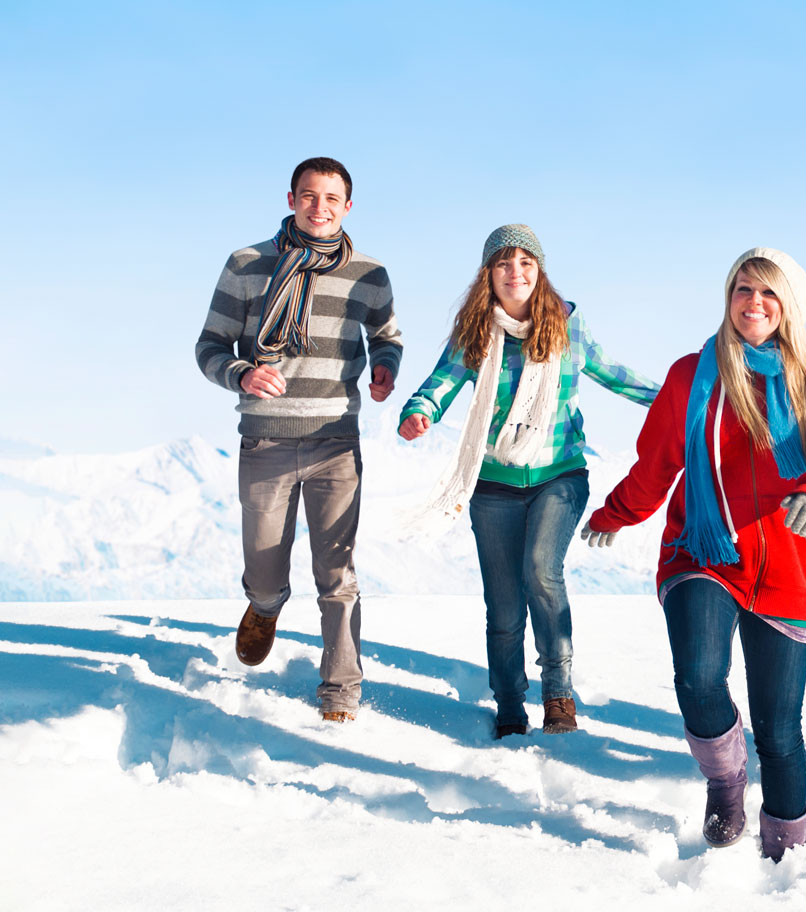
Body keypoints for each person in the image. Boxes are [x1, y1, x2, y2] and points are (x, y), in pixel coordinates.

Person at [578, 248, 806, 861]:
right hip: (703, 550)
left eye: (767, 292)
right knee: (701, 680)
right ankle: (726, 778)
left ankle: (786, 855)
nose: (752, 302)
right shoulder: (693, 374)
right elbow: (659, 460)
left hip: (790, 563)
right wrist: (617, 511)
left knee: (780, 730)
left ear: (788, 305)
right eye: (742, 289)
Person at [397, 225, 659, 738]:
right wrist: (419, 411)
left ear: (539, 272)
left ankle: (558, 695)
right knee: (503, 603)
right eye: (503, 264)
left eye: (526, 263)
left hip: (559, 475)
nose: (515, 273)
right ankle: (509, 702)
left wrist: (679, 394)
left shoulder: (567, 328)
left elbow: (614, 374)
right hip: (493, 482)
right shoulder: (474, 334)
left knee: (541, 571)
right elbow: (442, 381)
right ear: (488, 276)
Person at [194, 156, 402, 722]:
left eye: (332, 200)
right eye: (309, 197)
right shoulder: (247, 264)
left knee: (337, 574)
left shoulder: (369, 274)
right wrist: (241, 373)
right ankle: (263, 606)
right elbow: (209, 346)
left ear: (347, 207)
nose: (320, 208)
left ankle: (340, 690)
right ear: (291, 199)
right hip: (266, 441)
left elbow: (386, 335)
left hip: (338, 441)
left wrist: (385, 365)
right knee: (265, 567)